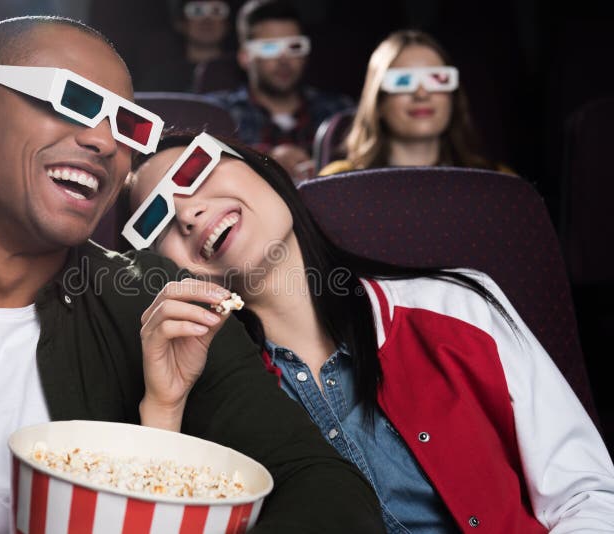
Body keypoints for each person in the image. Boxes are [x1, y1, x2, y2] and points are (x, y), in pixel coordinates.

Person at [0, 16, 386, 534]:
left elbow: (327, 488)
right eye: (73, 101)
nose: (104, 141)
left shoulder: (154, 299)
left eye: (129, 128)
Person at [124, 130, 614, 533]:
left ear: (259, 166)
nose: (187, 213)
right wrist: (164, 409)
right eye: (156, 218)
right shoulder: (206, 395)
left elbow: (587, 497)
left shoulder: (457, 305)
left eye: (195, 171)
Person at [319, 29, 511, 175]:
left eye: (437, 79)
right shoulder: (336, 183)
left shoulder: (498, 182)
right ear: (377, 103)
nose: (421, 94)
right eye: (403, 81)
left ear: (453, 98)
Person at [209, 0, 352, 182]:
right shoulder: (217, 114)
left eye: (294, 46)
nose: (284, 59)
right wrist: (265, 158)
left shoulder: (338, 112)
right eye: (270, 48)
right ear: (245, 57)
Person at [132, 0, 232, 91]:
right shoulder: (162, 79)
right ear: (181, 23)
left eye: (216, 11)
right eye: (196, 11)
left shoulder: (241, 77)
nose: (207, 20)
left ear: (227, 24)